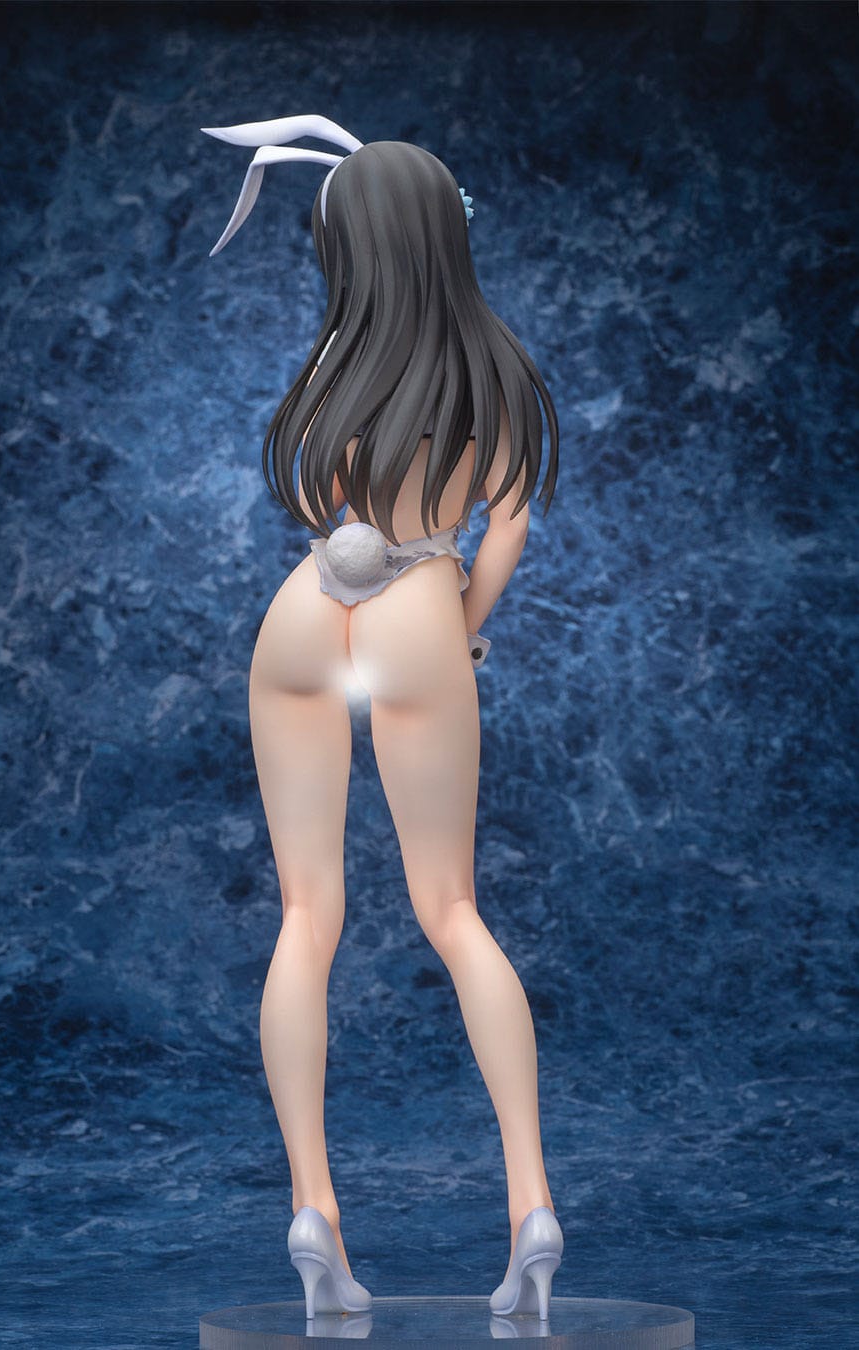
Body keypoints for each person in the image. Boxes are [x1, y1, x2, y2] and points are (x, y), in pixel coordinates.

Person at [203, 115, 564, 1322]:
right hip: (418, 601)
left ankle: (314, 1209)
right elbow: (504, 525)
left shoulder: (329, 370)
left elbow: (322, 497)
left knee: (307, 915)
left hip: (306, 611)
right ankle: (530, 1207)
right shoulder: (492, 370)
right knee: (451, 910)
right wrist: (462, 626)